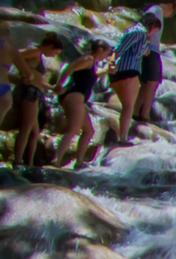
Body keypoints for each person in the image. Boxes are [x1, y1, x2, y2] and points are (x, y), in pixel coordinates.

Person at [54, 39, 112, 166]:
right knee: (73, 129)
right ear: (100, 50)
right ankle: (56, 160)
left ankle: (79, 162)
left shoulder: (92, 63)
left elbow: (93, 75)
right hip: (74, 96)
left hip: (79, 98)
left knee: (89, 131)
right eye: (106, 53)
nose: (106, 56)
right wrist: (59, 84)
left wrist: (107, 70)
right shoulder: (88, 59)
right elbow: (69, 68)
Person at [107, 9, 158, 144]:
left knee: (127, 106)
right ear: (152, 26)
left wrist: (111, 63)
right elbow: (127, 50)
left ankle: (122, 136)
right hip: (129, 71)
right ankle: (122, 138)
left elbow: (122, 49)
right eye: (155, 31)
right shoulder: (140, 32)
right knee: (129, 107)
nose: (154, 34)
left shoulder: (134, 32)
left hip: (119, 72)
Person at [9, 35, 59, 167]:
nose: (54, 56)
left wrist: (51, 88)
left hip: (35, 92)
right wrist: (25, 73)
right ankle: (18, 161)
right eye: (55, 52)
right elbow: (15, 56)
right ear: (50, 47)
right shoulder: (36, 51)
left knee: (35, 132)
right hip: (29, 92)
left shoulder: (39, 55)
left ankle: (29, 163)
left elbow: (37, 78)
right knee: (26, 128)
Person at [132, 1, 176, 136]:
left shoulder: (153, 10)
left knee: (147, 82)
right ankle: (144, 114)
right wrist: (145, 47)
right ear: (170, 5)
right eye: (173, 12)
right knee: (153, 82)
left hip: (150, 50)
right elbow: (146, 28)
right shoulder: (157, 10)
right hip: (150, 51)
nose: (171, 15)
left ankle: (137, 112)